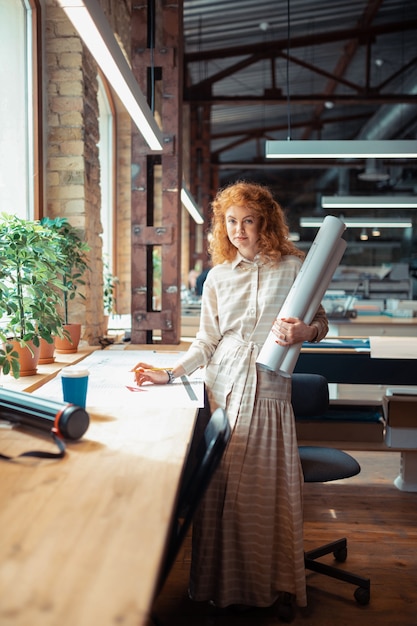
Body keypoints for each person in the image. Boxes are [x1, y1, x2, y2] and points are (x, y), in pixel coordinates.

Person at [133, 181, 328, 616]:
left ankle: (266, 585)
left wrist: (306, 332)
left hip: (270, 382)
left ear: (266, 224)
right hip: (222, 384)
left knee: (263, 489)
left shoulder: (294, 268)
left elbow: (321, 322)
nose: (239, 230)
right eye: (231, 222)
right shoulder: (217, 277)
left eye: (249, 221)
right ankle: (218, 586)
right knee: (220, 491)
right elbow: (206, 341)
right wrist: (170, 372)